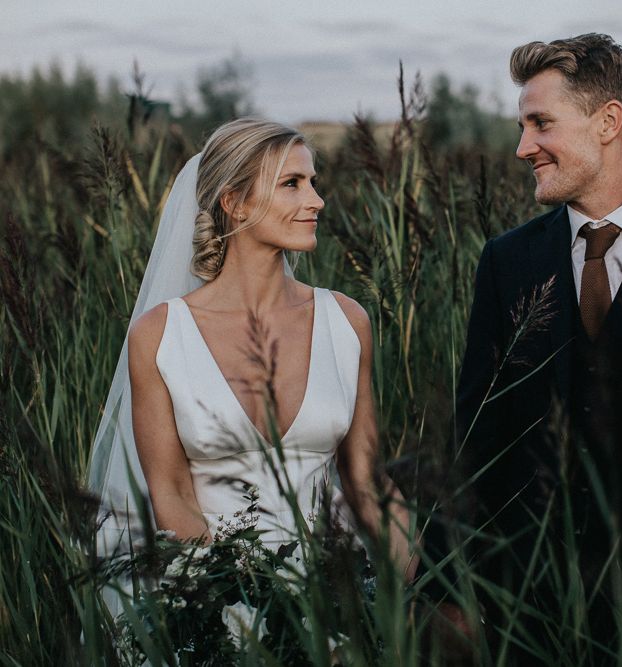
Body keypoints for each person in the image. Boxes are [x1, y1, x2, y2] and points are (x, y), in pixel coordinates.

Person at [436, 33, 622, 654]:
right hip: (537, 608)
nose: (522, 147)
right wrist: (447, 590)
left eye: (541, 123)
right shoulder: (507, 262)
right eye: (521, 126)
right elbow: (476, 434)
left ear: (608, 122)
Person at [88, 119, 417, 612]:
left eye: (313, 182)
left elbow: (366, 481)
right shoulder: (158, 336)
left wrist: (404, 585)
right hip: (212, 596)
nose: (317, 200)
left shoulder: (347, 321)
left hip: (335, 596)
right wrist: (245, 602)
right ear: (234, 202)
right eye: (292, 184)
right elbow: (172, 495)